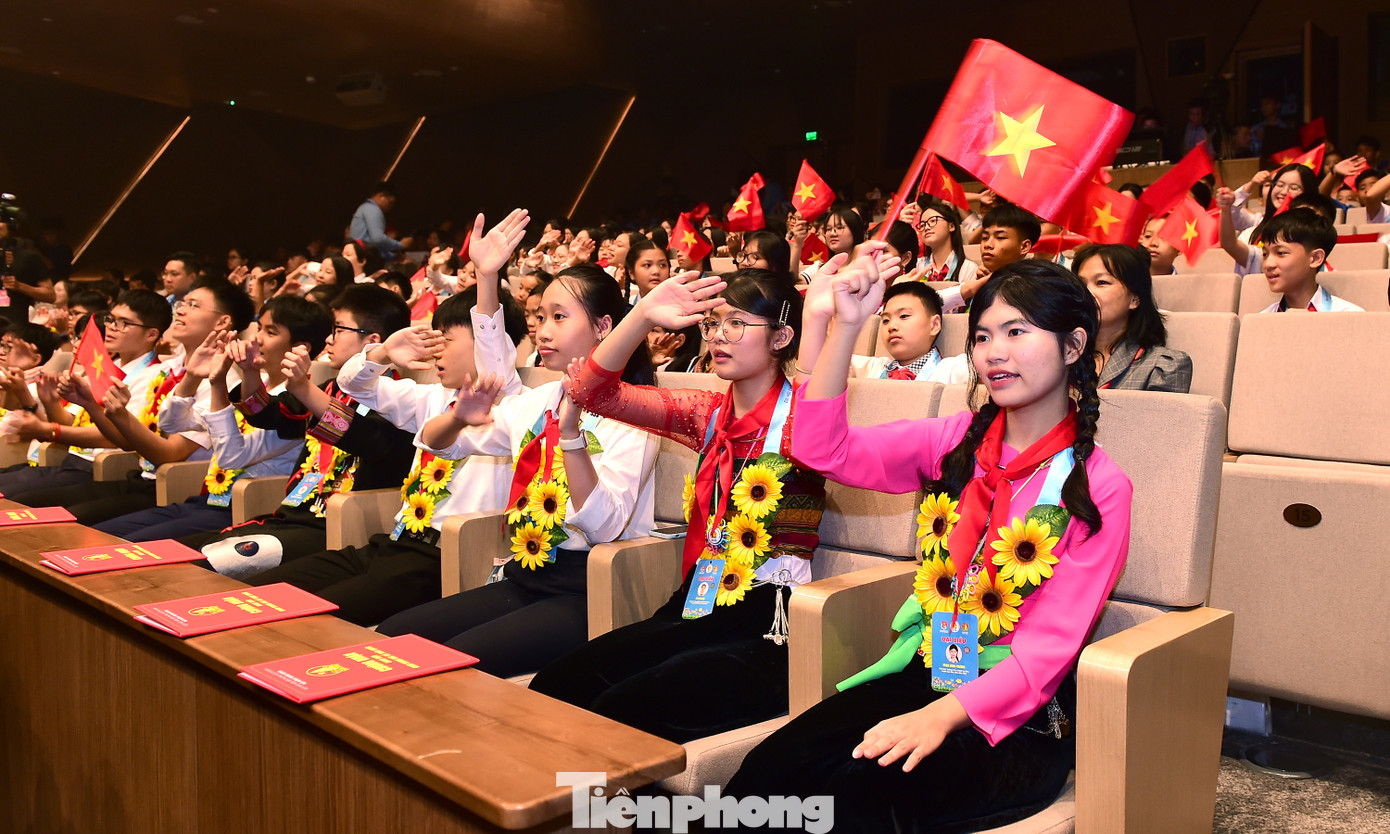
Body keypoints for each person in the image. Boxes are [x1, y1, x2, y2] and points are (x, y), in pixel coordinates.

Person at [723, 256, 1132, 833]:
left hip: (1021, 716)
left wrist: (938, 719)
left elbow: (1045, 656)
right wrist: (845, 326)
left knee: (857, 796)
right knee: (766, 774)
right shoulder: (953, 441)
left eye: (1018, 332)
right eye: (985, 335)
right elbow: (822, 452)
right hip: (930, 667)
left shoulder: (1096, 487)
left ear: (1072, 347)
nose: (994, 352)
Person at [528, 268, 829, 742]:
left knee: (619, 710)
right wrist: (643, 313)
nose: (718, 337)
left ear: (781, 336)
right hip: (697, 601)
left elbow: (816, 375)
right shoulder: (708, 413)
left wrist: (830, 315)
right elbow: (588, 391)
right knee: (556, 685)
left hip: (769, 624)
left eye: (737, 324)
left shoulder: (810, 418)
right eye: (712, 324)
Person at [242, 211, 534, 626]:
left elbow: (490, 338)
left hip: (441, 556)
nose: (435, 350)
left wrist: (487, 278)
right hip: (393, 542)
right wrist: (381, 353)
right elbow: (354, 386)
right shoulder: (429, 397)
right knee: (259, 595)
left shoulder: (505, 399)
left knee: (309, 619)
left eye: (446, 339)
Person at [374, 262, 659, 677]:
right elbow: (441, 444)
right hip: (525, 573)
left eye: (559, 317)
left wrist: (572, 436)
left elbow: (605, 526)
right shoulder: (535, 401)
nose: (542, 331)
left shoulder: (636, 410)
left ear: (604, 327)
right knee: (393, 636)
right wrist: (459, 417)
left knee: (454, 664)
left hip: (588, 586)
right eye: (540, 317)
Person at [181, 286, 421, 576]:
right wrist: (250, 371)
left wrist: (305, 390)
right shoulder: (330, 389)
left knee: (203, 566)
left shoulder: (401, 399)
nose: (329, 340)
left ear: (372, 341)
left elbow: (367, 438)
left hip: (337, 526)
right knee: (180, 554)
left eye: (339, 330)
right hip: (291, 515)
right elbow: (266, 414)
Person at [13, 279, 256, 522]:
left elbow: (168, 454)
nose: (180, 309)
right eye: (182, 303)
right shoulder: (163, 370)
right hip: (139, 476)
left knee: (64, 519)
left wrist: (52, 429)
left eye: (193, 305)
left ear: (223, 322)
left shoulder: (221, 383)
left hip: (173, 486)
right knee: (27, 504)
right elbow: (126, 440)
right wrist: (90, 404)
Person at [91, 296, 332, 540]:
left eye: (270, 332)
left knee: (127, 547)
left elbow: (232, 457)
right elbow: (170, 424)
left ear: (300, 348)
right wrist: (193, 376)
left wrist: (218, 385)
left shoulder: (296, 406)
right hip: (205, 500)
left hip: (243, 508)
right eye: (259, 328)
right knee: (101, 536)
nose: (256, 338)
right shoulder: (253, 386)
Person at [0, 290, 169, 494]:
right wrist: (51, 401)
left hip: (104, 469)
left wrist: (49, 430)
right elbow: (69, 423)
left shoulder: (154, 377)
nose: (111, 327)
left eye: (123, 323)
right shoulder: (105, 367)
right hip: (72, 460)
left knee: (14, 497)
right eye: (111, 320)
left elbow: (119, 437)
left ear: (151, 334)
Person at [800, 267, 969, 383]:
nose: (892, 326)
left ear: (934, 325)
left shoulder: (953, 370)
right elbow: (822, 359)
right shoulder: (872, 369)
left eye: (904, 316)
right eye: (886, 320)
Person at [1073, 244, 1192, 392]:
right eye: (1081, 284)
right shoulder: (1064, 355)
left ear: (1134, 299)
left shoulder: (1162, 367)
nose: (1087, 292)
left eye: (1102, 282)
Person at [1256, 210, 1362, 312]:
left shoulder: (1349, 316)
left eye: (1281, 253)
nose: (1268, 264)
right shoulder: (1262, 320)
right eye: (1265, 254)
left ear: (1316, 258)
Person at [0, 218, 57, 323]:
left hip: (15, 328)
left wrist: (19, 286)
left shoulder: (28, 257)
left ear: (10, 226)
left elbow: (50, 295)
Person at [349, 182, 408, 261]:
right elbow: (377, 238)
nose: (391, 207)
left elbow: (375, 245)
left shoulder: (366, 208)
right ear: (381, 196)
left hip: (362, 255)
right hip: (364, 257)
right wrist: (400, 245)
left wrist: (392, 256)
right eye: (390, 202)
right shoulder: (372, 209)